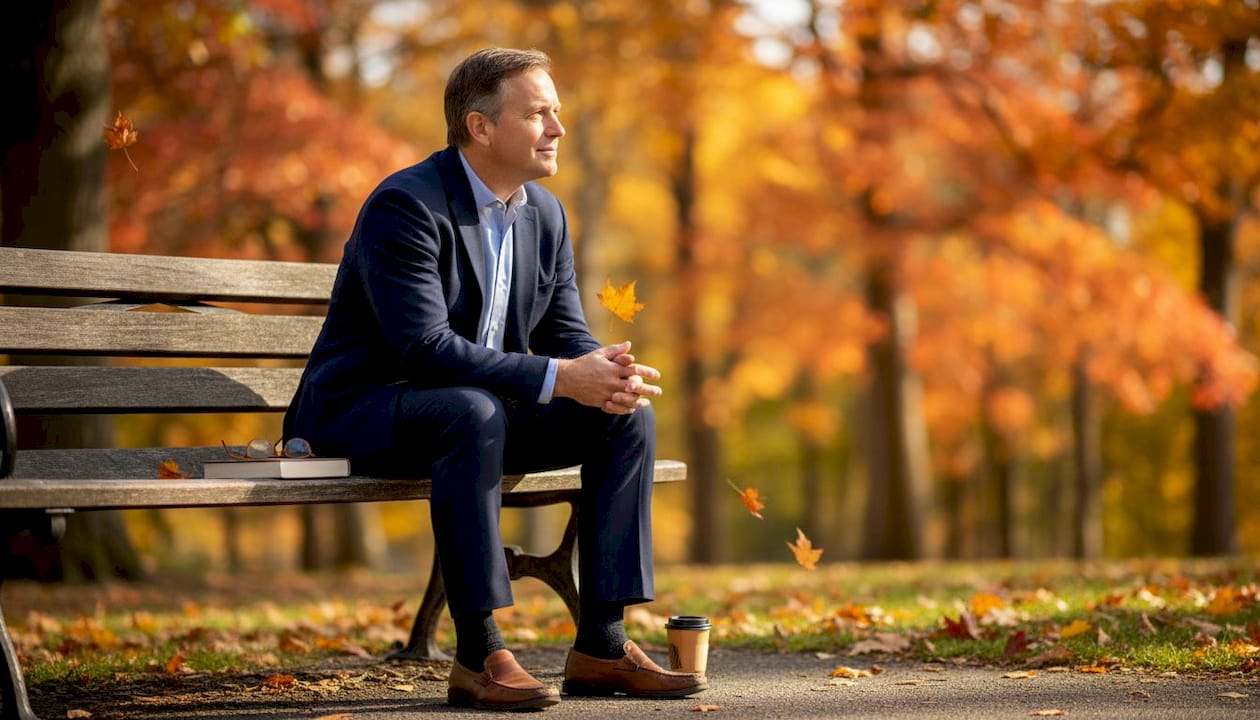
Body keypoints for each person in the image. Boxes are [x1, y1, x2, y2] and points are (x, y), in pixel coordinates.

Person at [284, 47, 707, 711]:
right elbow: (423, 349)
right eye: (539, 114)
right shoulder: (407, 205)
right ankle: (479, 653)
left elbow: (564, 334)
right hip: (361, 413)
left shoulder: (544, 213)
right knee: (471, 411)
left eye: (557, 113)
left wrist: (602, 374)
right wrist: (560, 377)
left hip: (474, 413)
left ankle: (601, 643)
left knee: (626, 415)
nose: (558, 129)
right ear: (481, 128)